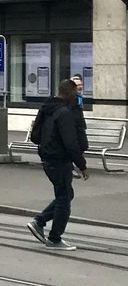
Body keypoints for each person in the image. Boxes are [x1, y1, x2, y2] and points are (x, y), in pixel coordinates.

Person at [27, 78, 89, 251]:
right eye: (75, 92)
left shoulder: (48, 108)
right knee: (64, 199)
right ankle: (54, 238)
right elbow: (71, 142)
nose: (77, 95)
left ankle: (39, 221)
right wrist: (82, 165)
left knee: (66, 195)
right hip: (59, 159)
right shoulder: (64, 113)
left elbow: (35, 136)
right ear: (69, 93)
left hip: (48, 158)